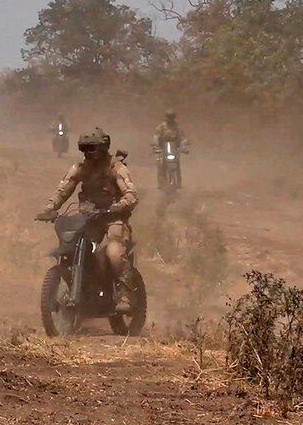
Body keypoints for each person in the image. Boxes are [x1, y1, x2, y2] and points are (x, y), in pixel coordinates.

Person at [35, 127, 138, 310]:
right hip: (88, 218)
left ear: (104, 148)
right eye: (85, 149)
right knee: (72, 248)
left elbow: (131, 195)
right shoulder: (80, 168)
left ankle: (124, 295)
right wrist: (49, 208)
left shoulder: (116, 167)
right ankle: (83, 290)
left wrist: (117, 206)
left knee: (114, 253)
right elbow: (63, 189)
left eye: (93, 149)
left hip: (113, 218)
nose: (89, 154)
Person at [153, 110, 188, 188]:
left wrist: (184, 146)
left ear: (174, 118)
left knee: (177, 164)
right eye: (168, 117)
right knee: (160, 164)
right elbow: (156, 137)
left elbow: (182, 138)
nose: (170, 119)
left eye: (172, 117)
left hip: (174, 150)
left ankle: (178, 182)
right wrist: (155, 145)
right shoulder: (161, 127)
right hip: (163, 150)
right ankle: (161, 183)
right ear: (166, 118)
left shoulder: (177, 127)